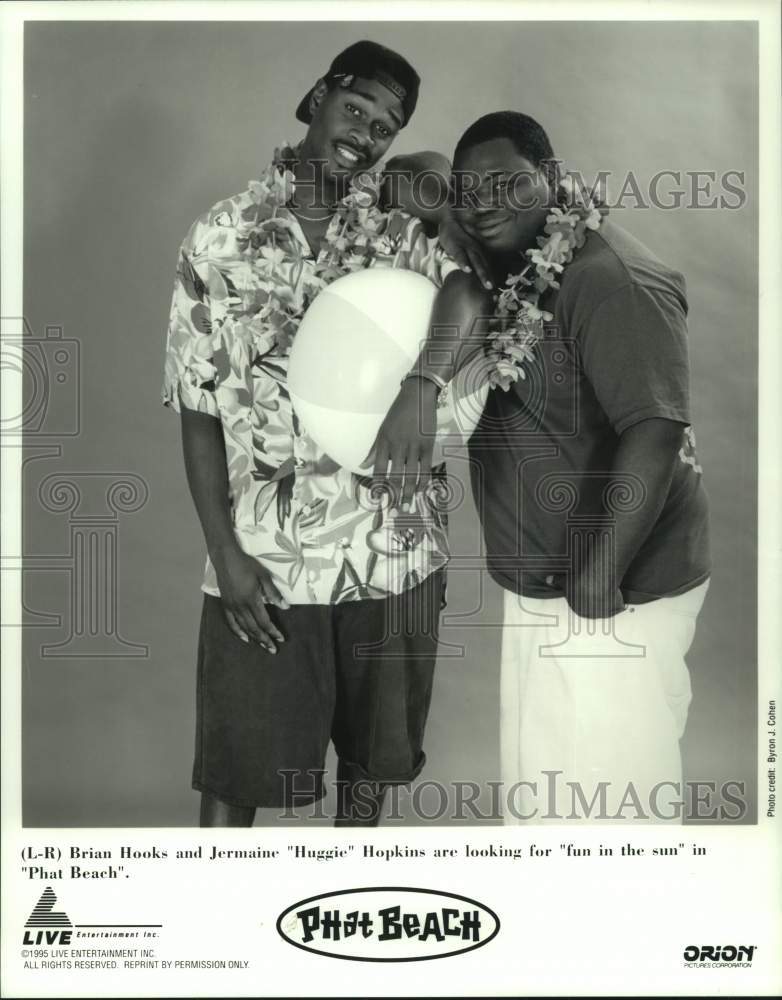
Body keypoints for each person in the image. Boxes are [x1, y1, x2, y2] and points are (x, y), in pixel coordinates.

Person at [161, 41, 486, 827]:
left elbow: (470, 291)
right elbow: (198, 408)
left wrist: (423, 384)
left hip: (394, 552)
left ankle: (337, 915)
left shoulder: (402, 223)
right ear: (316, 97)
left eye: (386, 125)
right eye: (356, 109)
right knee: (236, 778)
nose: (367, 134)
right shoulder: (219, 237)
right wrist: (226, 555)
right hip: (267, 565)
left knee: (368, 777)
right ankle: (212, 937)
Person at [374, 111, 711, 823]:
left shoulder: (611, 278)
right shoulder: (504, 260)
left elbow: (656, 428)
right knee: (548, 797)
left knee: (616, 807)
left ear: (553, 180)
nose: (485, 199)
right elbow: (414, 173)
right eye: (472, 188)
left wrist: (598, 573)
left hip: (615, 585)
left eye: (507, 182)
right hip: (544, 577)